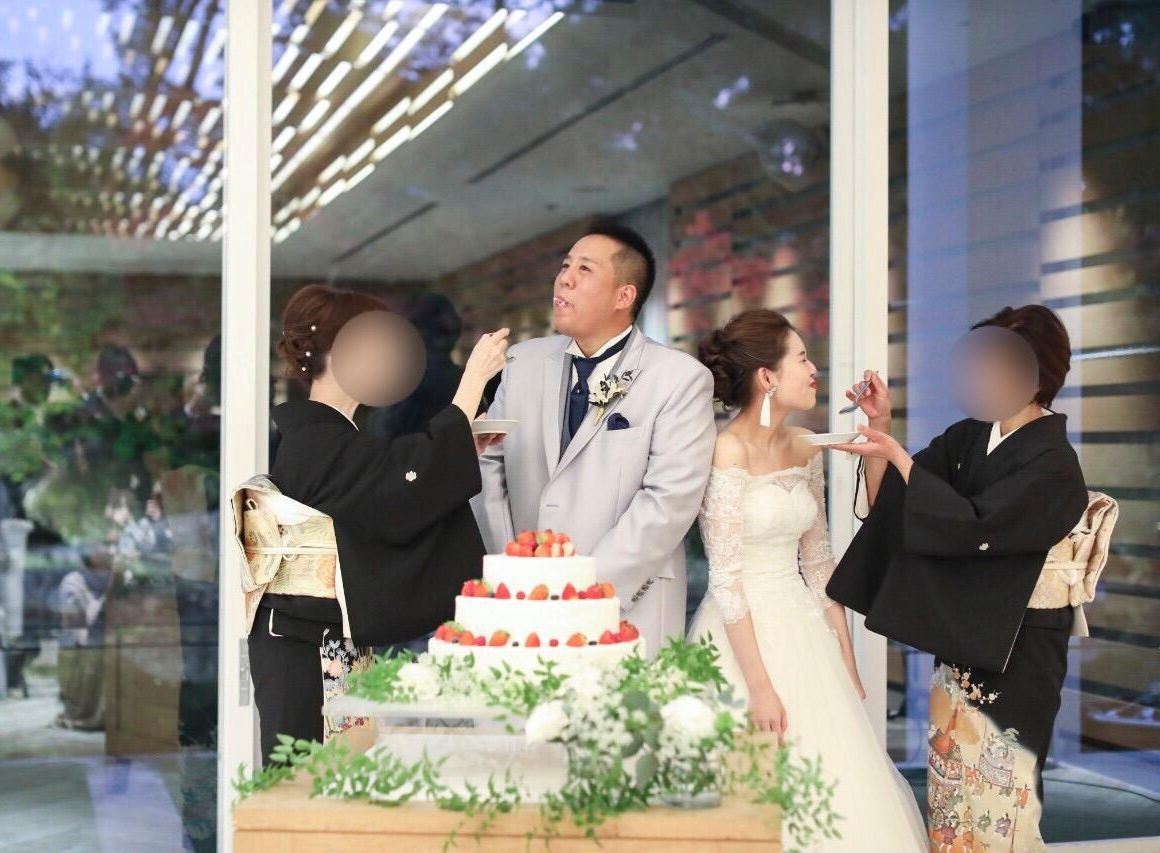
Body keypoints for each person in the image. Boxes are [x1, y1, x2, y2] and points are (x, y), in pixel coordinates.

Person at [826, 305, 1091, 850]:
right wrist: (882, 432)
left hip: (1019, 646)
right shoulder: (970, 437)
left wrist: (900, 457)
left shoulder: (1054, 463)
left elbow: (973, 527)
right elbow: (898, 503)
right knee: (952, 799)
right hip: (965, 639)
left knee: (1002, 803)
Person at [237, 284, 508, 763]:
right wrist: (469, 389)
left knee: (340, 774)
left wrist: (458, 448)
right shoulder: (314, 439)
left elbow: (390, 488)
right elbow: (401, 485)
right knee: (307, 784)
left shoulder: (330, 437)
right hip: (302, 646)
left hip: (322, 638)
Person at [686, 309, 925, 851]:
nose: (814, 369)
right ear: (767, 377)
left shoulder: (803, 444)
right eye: (802, 358)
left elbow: (819, 564)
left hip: (803, 629)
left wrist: (846, 661)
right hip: (742, 635)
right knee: (756, 792)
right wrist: (761, 689)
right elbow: (727, 581)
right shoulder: (727, 449)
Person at [472, 221, 716, 655]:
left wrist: (582, 589)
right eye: (565, 266)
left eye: (584, 269)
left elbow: (669, 499)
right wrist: (515, 569)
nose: (564, 279)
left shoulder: (679, 379)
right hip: (525, 601)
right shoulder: (522, 363)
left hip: (628, 604)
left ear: (624, 296)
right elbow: (489, 465)